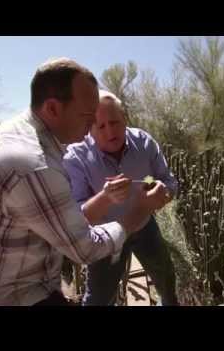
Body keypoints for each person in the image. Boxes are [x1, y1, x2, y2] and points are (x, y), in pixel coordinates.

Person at [0, 58, 160, 306]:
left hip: (16, 286)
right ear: (53, 109)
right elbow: (84, 248)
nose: (93, 127)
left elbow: (63, 221)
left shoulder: (21, 134)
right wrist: (137, 213)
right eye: (87, 117)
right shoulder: (33, 163)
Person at [63, 90, 179, 306]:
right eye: (101, 126)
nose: (110, 132)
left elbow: (169, 182)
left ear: (125, 118)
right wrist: (105, 198)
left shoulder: (144, 143)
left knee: (166, 278)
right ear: (90, 128)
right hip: (106, 237)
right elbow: (78, 216)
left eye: (115, 122)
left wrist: (163, 193)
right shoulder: (75, 157)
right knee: (99, 298)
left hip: (145, 227)